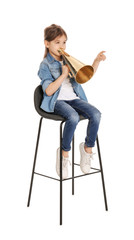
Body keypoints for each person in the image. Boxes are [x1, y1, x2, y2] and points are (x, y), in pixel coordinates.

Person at [38, 24, 106, 179]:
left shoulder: (68, 59)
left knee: (96, 114)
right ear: (47, 43)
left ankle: (87, 149)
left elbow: (85, 75)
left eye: (64, 42)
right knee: (73, 117)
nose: (62, 46)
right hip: (57, 101)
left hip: (73, 99)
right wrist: (63, 75)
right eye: (57, 42)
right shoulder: (45, 65)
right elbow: (48, 91)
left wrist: (96, 61)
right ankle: (64, 154)